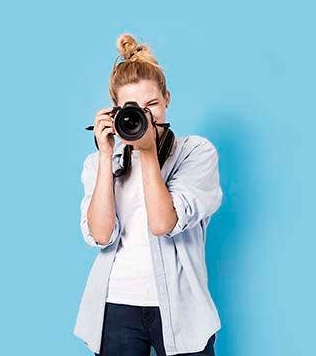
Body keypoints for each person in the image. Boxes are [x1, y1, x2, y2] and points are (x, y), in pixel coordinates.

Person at [73, 33, 223, 356]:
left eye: (151, 105)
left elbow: (163, 223)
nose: (145, 116)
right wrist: (104, 155)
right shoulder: (99, 163)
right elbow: (101, 234)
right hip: (117, 305)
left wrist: (148, 152)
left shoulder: (195, 154)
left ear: (167, 98)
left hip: (183, 305)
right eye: (133, 110)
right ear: (116, 113)